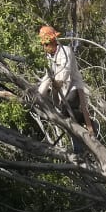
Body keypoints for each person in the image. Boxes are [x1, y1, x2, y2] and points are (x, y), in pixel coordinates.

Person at [31, 25, 94, 155]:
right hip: (62, 92)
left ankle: (88, 122)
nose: (45, 47)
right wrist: (38, 93)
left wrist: (59, 82)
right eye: (44, 44)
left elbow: (66, 70)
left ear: (54, 41)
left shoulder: (66, 51)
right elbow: (48, 76)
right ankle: (79, 148)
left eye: (47, 44)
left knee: (67, 110)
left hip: (75, 88)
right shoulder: (49, 57)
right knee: (68, 120)